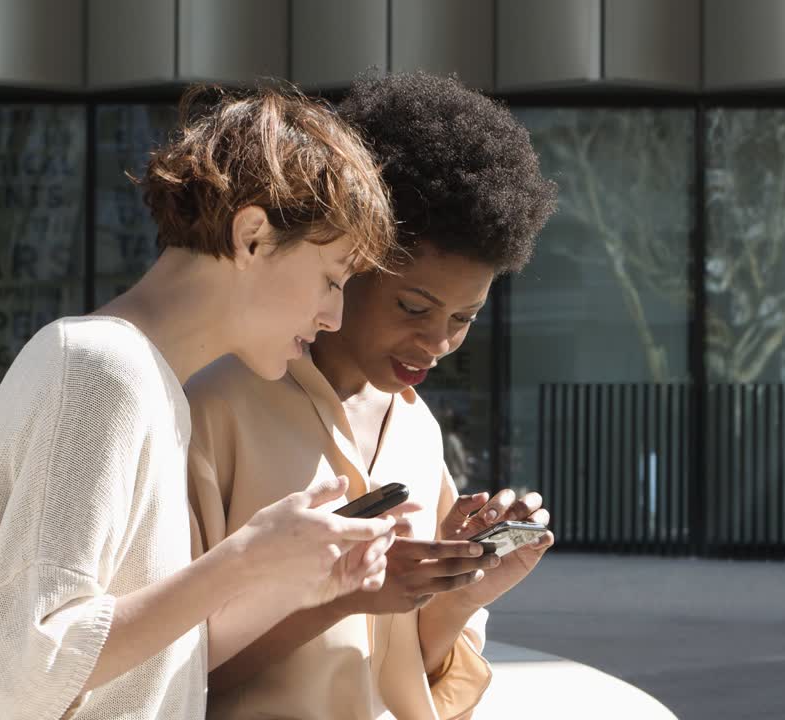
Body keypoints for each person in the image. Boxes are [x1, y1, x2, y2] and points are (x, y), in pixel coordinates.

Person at [0, 86, 402, 720]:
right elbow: (38, 672)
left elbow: (140, 667)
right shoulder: (99, 370)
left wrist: (294, 582)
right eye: (331, 279)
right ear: (252, 235)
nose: (333, 316)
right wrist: (243, 557)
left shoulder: (145, 382)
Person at [185, 71, 559, 720]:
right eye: (414, 306)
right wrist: (340, 598)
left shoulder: (417, 431)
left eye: (464, 318)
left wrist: (463, 592)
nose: (437, 341)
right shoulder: (218, 406)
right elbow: (161, 676)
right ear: (351, 262)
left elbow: (405, 672)